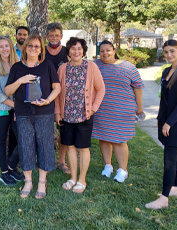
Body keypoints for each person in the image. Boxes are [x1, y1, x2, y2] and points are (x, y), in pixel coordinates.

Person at [5, 34, 61, 199]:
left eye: (37, 46)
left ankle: (42, 182)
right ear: (25, 48)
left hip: (44, 112)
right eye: (30, 46)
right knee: (25, 145)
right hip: (23, 113)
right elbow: (8, 91)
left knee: (45, 145)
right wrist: (21, 80)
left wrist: (48, 100)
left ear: (41, 50)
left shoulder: (47, 66)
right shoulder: (17, 68)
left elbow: (56, 88)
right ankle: (28, 181)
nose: (33, 49)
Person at [55, 37, 105, 193]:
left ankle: (82, 180)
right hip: (67, 115)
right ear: (68, 51)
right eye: (73, 48)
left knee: (83, 148)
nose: (76, 51)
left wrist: (94, 108)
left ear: (83, 50)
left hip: (85, 115)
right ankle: (73, 177)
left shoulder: (91, 67)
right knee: (69, 146)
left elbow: (101, 89)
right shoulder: (62, 68)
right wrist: (57, 112)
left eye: (79, 48)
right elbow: (57, 92)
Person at [145, 40, 177, 209]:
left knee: (169, 159)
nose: (169, 55)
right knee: (173, 154)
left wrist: (169, 123)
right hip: (165, 119)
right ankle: (175, 188)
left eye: (172, 51)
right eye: (166, 52)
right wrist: (160, 119)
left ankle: (164, 198)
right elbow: (163, 100)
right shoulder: (165, 71)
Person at [92, 40, 144, 183]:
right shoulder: (95, 66)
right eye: (102, 51)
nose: (105, 53)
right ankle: (108, 166)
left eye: (108, 50)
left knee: (119, 140)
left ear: (114, 50)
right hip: (101, 109)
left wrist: (139, 108)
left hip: (122, 110)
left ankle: (123, 170)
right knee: (103, 137)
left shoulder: (128, 67)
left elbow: (138, 88)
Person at [0, 36, 24, 185]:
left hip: (16, 109)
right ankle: (4, 172)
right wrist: (16, 106)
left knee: (22, 139)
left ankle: (11, 166)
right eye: (1, 47)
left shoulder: (18, 65)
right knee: (1, 140)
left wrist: (18, 107)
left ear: (11, 47)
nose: (4, 49)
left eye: (7, 46)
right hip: (1, 109)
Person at [45, 22, 70, 175]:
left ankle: (61, 161)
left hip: (65, 97)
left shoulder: (68, 52)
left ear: (61, 36)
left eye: (57, 35)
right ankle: (47, 159)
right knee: (45, 131)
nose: (54, 38)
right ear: (46, 36)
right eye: (51, 35)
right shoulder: (41, 51)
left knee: (64, 131)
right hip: (46, 96)